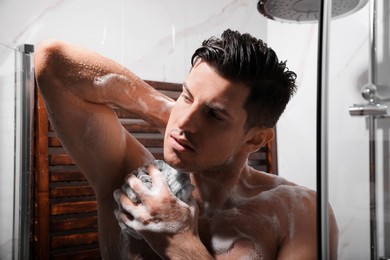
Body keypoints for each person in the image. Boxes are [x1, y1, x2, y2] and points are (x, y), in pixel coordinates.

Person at [35, 29, 338, 259]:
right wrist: (170, 114)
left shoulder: (298, 214)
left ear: (255, 138)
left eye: (214, 114)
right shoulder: (135, 183)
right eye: (187, 96)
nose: (184, 122)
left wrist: (181, 243)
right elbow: (53, 61)